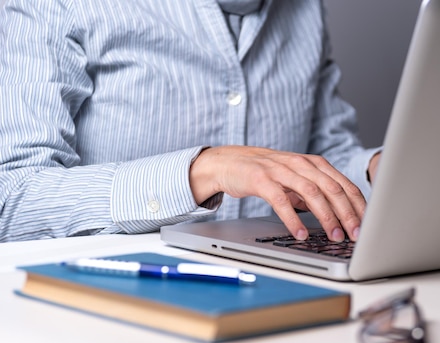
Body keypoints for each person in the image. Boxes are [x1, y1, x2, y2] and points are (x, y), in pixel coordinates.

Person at [0, 0, 381, 243]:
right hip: (114, 313)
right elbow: (11, 197)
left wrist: (380, 170)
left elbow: (321, 156)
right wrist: (201, 171)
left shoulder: (306, 9)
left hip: (281, 294)